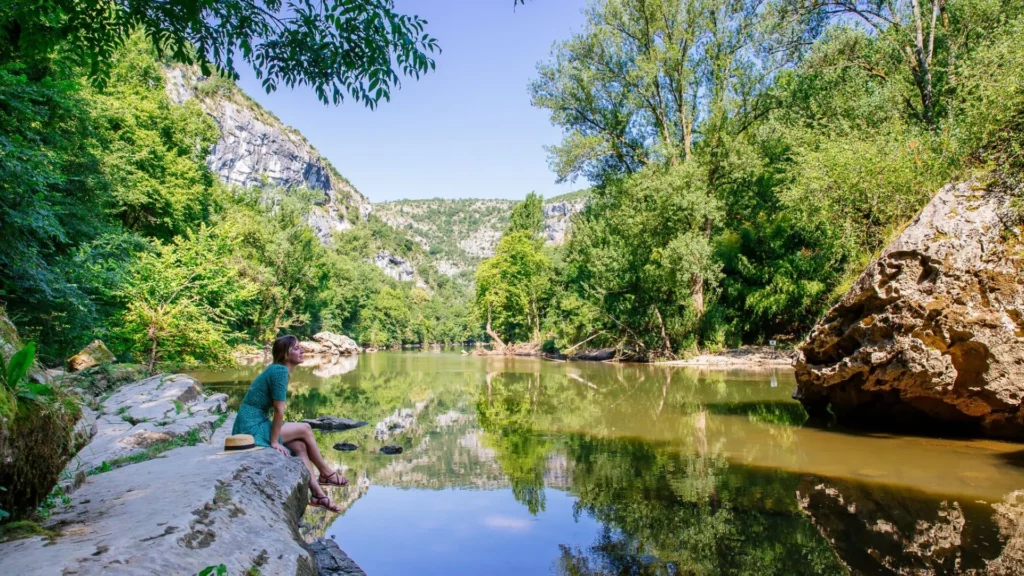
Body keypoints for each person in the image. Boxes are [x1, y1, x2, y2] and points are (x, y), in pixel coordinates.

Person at [232, 334, 348, 511]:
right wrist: (273, 441)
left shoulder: (278, 370)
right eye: (296, 348)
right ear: (286, 354)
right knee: (306, 428)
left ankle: (319, 494)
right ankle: (326, 472)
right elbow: (279, 410)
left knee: (300, 446)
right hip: (250, 427)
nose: (301, 351)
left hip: (253, 422)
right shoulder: (279, 371)